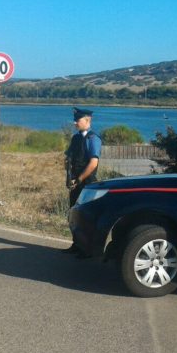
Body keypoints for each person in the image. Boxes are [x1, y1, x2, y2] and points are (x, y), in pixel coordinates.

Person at [61, 107, 102, 255]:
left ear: (87, 120)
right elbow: (68, 157)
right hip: (75, 181)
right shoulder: (76, 138)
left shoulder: (93, 139)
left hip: (87, 182)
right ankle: (76, 245)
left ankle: (88, 249)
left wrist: (78, 179)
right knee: (74, 214)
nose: (75, 123)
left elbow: (93, 163)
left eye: (77, 120)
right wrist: (68, 170)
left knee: (86, 217)